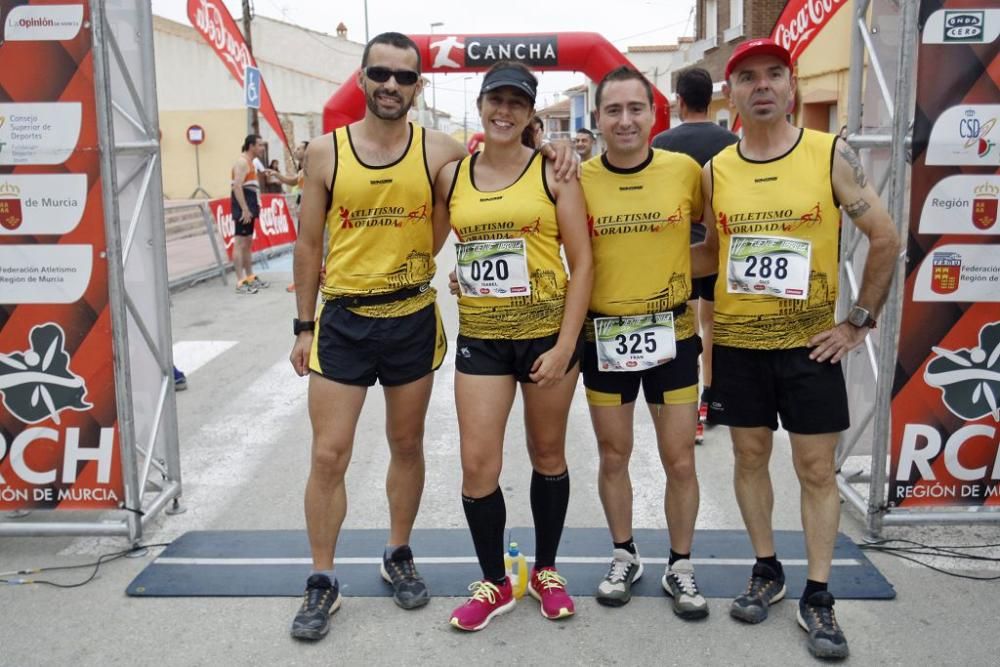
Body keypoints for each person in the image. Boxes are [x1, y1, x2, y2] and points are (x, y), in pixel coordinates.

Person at [288, 34, 577, 642]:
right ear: (364, 79)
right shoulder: (323, 153)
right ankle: (321, 579)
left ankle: (399, 554)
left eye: (403, 76)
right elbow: (308, 245)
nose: (391, 85)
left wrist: (556, 147)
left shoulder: (441, 151)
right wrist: (303, 324)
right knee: (327, 454)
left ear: (419, 87)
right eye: (380, 74)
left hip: (412, 316)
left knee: (408, 445)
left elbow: (504, 162)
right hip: (341, 318)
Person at [692, 38, 899, 660]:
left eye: (773, 74)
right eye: (748, 76)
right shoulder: (715, 170)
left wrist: (857, 323)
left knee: (814, 469)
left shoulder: (828, 153)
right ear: (732, 93)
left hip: (811, 348)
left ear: (790, 86)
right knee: (750, 458)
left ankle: (818, 594)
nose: (762, 85)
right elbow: (708, 253)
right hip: (736, 345)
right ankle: (767, 570)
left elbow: (884, 238)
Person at [435, 61, 593, 632]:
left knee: (548, 454)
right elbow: (451, 247)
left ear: (529, 113)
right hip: (483, 338)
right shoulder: (453, 176)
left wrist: (567, 343)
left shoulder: (554, 172)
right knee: (478, 463)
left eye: (516, 103)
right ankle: (496, 582)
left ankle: (546, 571)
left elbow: (583, 263)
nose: (504, 111)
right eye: (494, 100)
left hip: (548, 337)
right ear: (479, 105)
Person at [579, 66, 707, 618]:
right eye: (614, 110)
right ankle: (624, 553)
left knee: (679, 459)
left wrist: (677, 270)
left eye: (636, 109)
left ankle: (681, 564)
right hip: (604, 336)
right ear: (598, 118)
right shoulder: (576, 177)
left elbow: (719, 237)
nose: (625, 120)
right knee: (614, 454)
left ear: (655, 114)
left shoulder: (684, 172)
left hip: (673, 335)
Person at [652, 67, 739, 441]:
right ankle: (711, 399)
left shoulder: (662, 142)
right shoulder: (732, 141)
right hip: (720, 249)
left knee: (683, 329)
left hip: (679, 253)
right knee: (711, 325)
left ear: (679, 100)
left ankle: (687, 412)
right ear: (711, 97)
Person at [230, 134, 268, 294]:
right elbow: (237, 186)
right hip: (243, 207)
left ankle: (250, 276)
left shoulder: (251, 163)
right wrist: (244, 209)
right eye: (259, 145)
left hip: (250, 205)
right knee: (240, 243)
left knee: (247, 243)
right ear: (251, 146)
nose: (262, 148)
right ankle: (240, 281)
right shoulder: (242, 162)